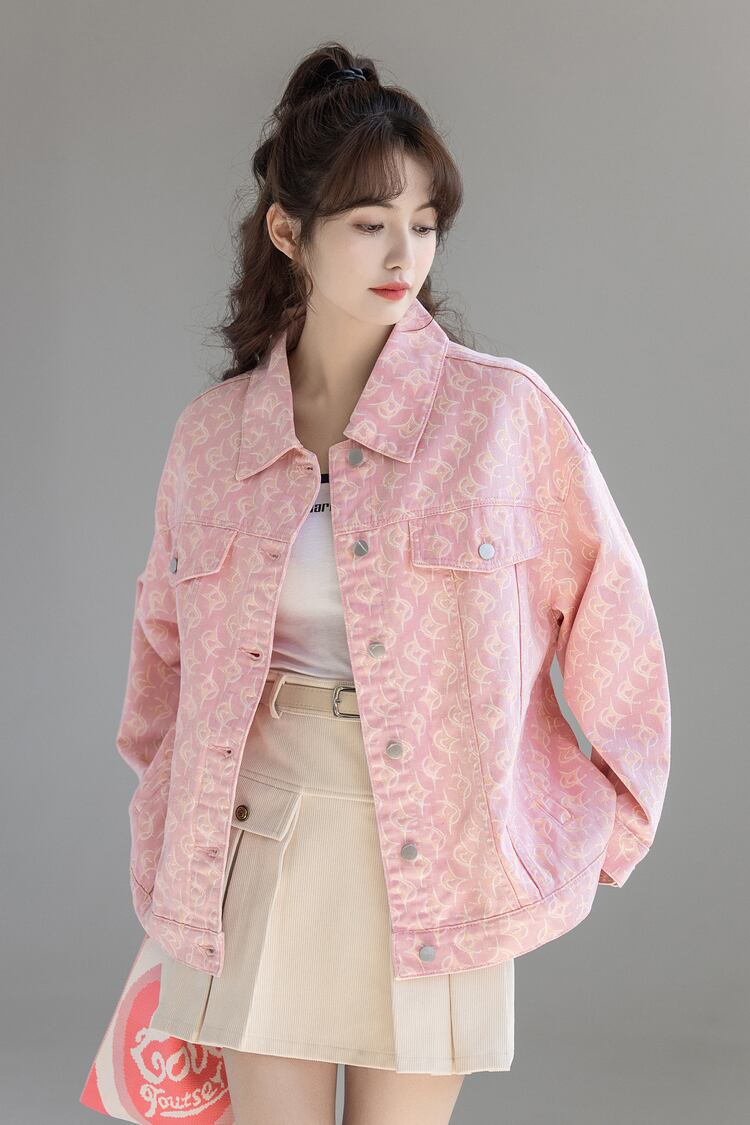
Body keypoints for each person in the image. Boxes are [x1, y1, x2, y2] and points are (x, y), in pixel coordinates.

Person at [113, 41, 670, 1125]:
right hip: (259, 840)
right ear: (290, 232)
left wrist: (603, 825)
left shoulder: (500, 418)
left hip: (438, 852)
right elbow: (159, 673)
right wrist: (166, 842)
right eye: (370, 222)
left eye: (424, 222)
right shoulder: (212, 440)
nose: (403, 252)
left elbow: (617, 622)